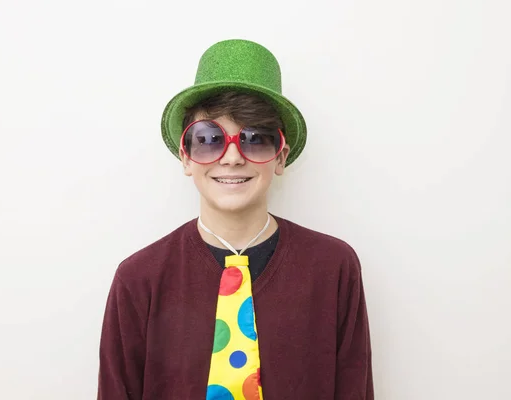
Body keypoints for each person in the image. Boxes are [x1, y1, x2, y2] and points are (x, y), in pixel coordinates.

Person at [97, 39, 374, 400]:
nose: (231, 157)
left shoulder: (333, 268)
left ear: (280, 157)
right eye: (209, 138)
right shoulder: (139, 279)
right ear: (185, 157)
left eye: (254, 139)